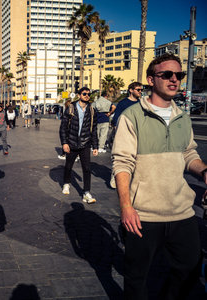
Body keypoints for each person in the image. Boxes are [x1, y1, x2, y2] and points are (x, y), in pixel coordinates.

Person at [112, 53, 207, 299]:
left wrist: (204, 170)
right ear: (151, 80)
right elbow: (122, 163)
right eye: (167, 74)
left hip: (182, 212)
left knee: (189, 269)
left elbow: (189, 154)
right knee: (136, 279)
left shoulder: (183, 118)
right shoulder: (132, 116)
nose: (174, 79)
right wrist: (126, 207)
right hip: (143, 215)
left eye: (179, 75)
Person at [59, 87, 98, 203]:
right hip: (71, 142)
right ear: (79, 95)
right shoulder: (71, 108)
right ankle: (66, 183)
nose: (87, 96)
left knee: (87, 168)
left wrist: (95, 146)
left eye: (88, 94)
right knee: (68, 166)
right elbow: (63, 128)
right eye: (84, 94)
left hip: (85, 143)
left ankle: (86, 192)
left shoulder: (91, 110)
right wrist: (64, 143)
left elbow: (94, 129)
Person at [108, 82, 142, 188]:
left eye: (141, 90)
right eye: (138, 89)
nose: (140, 92)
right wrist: (118, 131)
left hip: (137, 134)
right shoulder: (123, 103)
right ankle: (115, 176)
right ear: (131, 90)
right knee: (120, 157)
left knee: (136, 158)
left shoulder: (141, 103)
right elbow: (116, 118)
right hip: (124, 134)